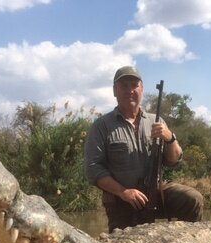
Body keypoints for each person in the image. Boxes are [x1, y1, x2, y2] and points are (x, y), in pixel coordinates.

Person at [84, 65, 203, 232]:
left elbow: (174, 161)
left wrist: (170, 138)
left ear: (142, 89)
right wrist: (124, 192)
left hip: (157, 192)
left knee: (192, 199)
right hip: (122, 201)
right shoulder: (102, 126)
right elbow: (93, 170)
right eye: (124, 86)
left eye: (134, 85)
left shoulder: (157, 120)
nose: (130, 90)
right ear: (114, 91)